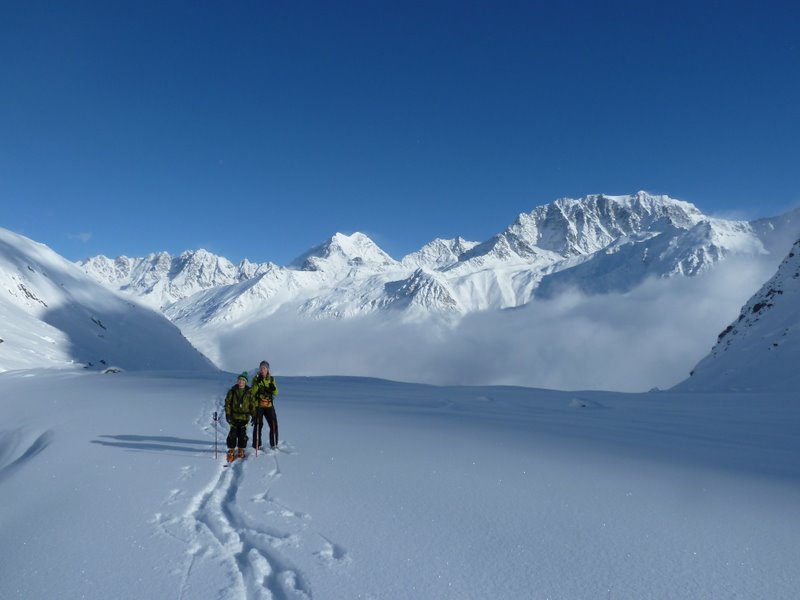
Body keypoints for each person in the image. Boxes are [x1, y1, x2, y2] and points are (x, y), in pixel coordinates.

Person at [224, 371, 256, 462]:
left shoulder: (249, 392)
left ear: (245, 382)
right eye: (239, 380)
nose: (241, 382)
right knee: (232, 433)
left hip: (244, 417)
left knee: (242, 434)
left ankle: (241, 449)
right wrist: (228, 414)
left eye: (243, 380)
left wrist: (254, 415)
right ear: (237, 381)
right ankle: (231, 450)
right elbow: (227, 403)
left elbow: (252, 405)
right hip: (233, 416)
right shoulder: (232, 391)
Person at [251, 360, 279, 450]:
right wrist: (257, 383)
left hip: (269, 404)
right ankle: (256, 445)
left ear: (267, 369)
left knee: (273, 423)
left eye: (264, 368)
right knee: (259, 424)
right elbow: (252, 392)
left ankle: (274, 443)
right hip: (258, 405)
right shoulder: (255, 379)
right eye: (261, 368)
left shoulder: (271, 379)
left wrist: (273, 388)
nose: (262, 369)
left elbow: (276, 393)